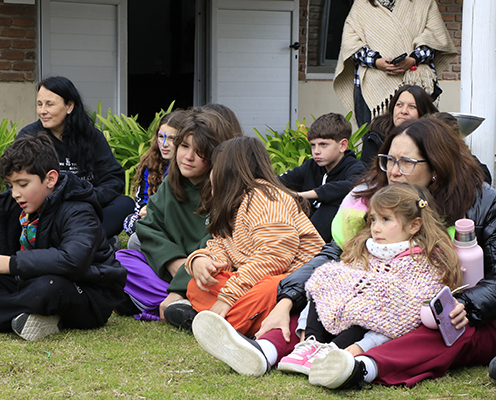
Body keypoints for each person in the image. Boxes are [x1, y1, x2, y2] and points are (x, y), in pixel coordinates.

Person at [190, 118, 496, 386]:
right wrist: (288, 299)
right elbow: (334, 255)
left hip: (457, 312)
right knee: (319, 297)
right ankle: (265, 351)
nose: (393, 171)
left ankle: (360, 367)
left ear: (436, 167)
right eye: (389, 160)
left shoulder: (481, 201)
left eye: (406, 162)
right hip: (372, 297)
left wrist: (465, 304)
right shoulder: (376, 196)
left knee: (438, 327)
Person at [0, 133, 127, 341]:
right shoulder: (21, 207)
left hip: (86, 293)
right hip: (30, 283)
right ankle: (31, 314)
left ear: (50, 179)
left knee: (48, 288)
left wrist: (12, 264)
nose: (15, 193)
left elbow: (73, 260)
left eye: (23, 184)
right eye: (11, 185)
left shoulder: (78, 209)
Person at [277, 183, 461, 377]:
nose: (376, 228)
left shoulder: (423, 262)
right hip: (338, 318)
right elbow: (322, 290)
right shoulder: (365, 251)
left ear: (414, 225)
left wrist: (362, 346)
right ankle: (311, 343)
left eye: (386, 219)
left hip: (361, 334)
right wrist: (304, 329)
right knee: (327, 276)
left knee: (381, 295)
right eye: (373, 220)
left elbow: (404, 316)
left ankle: (333, 351)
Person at [165, 137, 324, 336]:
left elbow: (275, 256)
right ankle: (230, 321)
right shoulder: (233, 203)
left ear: (229, 170)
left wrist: (228, 297)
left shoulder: (266, 198)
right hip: (252, 280)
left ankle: (221, 326)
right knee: (199, 285)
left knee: (267, 290)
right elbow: (220, 246)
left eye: (215, 167)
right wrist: (201, 261)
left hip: (295, 282)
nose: (210, 174)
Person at [114, 108, 242, 321]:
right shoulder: (172, 182)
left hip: (206, 274)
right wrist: (175, 264)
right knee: (121, 259)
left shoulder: (225, 190)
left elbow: (215, 244)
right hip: (173, 270)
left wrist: (180, 284)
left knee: (218, 280)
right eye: (184, 146)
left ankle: (164, 302)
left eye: (199, 151)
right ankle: (177, 305)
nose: (188, 157)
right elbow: (148, 227)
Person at [16, 76, 134, 243]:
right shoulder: (29, 136)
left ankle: (84, 240)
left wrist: (89, 197)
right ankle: (93, 241)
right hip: (46, 212)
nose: (42, 111)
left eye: (49, 104)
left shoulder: (91, 136)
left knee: (125, 204)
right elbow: (16, 180)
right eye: (39, 104)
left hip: (85, 209)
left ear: (69, 106)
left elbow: (113, 178)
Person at [334, 0, 457, 128]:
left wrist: (413, 59)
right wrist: (377, 62)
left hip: (415, 83)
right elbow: (350, 43)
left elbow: (434, 37)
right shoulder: (362, 4)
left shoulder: (424, 3)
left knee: (418, 134)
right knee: (374, 134)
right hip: (371, 86)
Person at [279, 113, 366, 242]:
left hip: (338, 239)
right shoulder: (311, 166)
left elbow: (351, 185)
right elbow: (282, 180)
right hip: (305, 230)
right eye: (313, 145)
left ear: (342, 145)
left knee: (332, 204)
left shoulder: (355, 167)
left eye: (323, 144)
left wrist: (305, 195)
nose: (316, 151)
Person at [123, 110, 187, 248]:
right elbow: (141, 200)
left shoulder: (189, 166)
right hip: (153, 220)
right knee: (130, 222)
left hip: (179, 224)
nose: (164, 144)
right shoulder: (152, 163)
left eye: (172, 139)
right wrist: (144, 210)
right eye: (161, 137)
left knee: (136, 239)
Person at [360, 84, 438, 167]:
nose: (404, 111)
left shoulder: (432, 138)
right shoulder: (376, 136)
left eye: (412, 106)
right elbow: (367, 172)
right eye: (399, 105)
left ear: (423, 112)